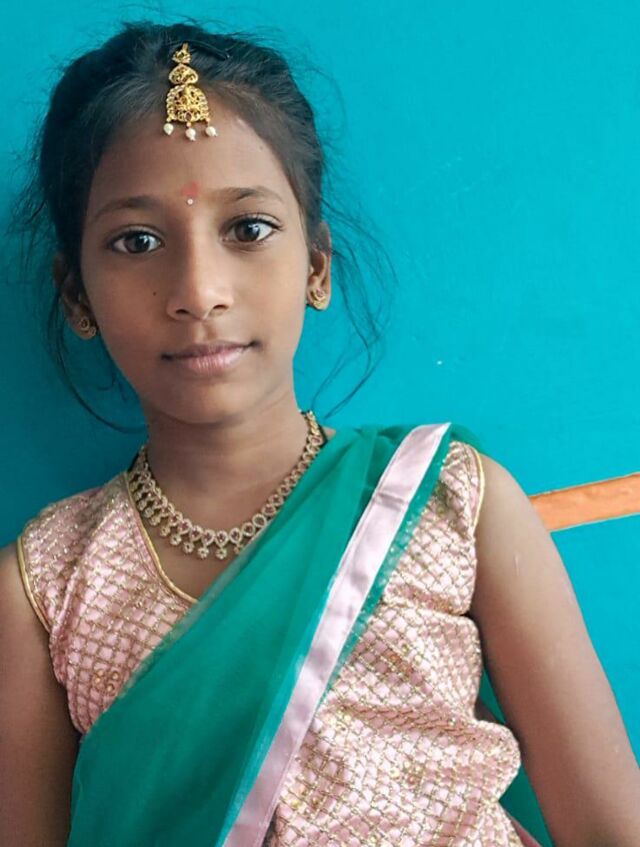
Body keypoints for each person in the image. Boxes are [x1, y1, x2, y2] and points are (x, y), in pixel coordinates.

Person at [0, 19, 638, 847]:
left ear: (316, 265)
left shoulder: (446, 500)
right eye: (138, 240)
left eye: (248, 229)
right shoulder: (49, 586)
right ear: (76, 294)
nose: (199, 290)